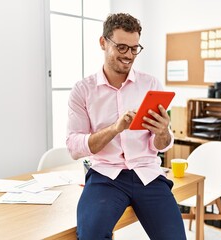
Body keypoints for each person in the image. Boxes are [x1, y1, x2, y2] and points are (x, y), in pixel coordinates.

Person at [66, 13, 186, 240]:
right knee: (90, 235)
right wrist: (115, 128)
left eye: (134, 48)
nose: (129, 55)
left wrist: (162, 132)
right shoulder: (83, 90)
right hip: (105, 176)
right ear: (103, 43)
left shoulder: (151, 84)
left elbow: (161, 144)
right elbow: (74, 147)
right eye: (121, 47)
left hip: (147, 173)